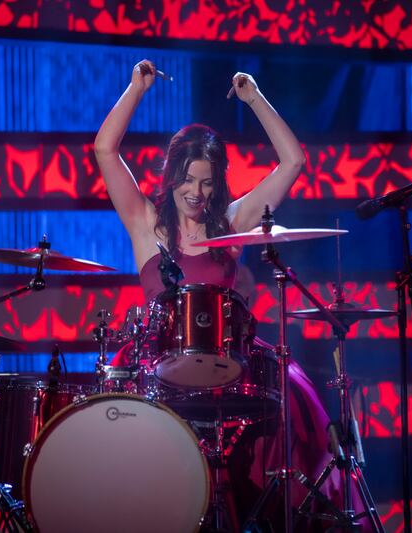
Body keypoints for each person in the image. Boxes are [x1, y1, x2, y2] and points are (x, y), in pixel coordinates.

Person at [95, 60, 365, 531]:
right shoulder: (144, 222)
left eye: (206, 182)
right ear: (172, 176)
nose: (196, 192)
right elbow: (104, 149)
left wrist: (254, 97)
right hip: (156, 361)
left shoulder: (233, 223)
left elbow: (293, 162)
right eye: (187, 180)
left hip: (227, 364)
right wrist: (136, 90)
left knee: (290, 393)